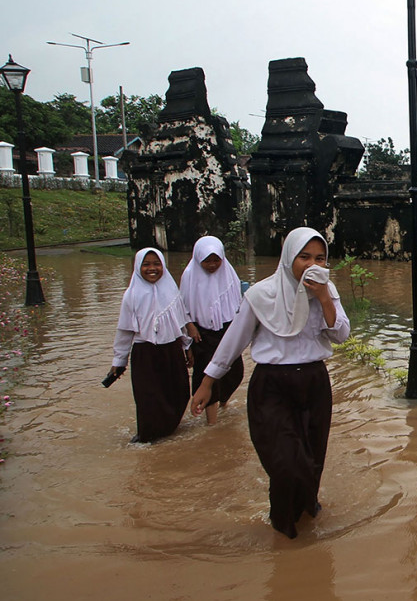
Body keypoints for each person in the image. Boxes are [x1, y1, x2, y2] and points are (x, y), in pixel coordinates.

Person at [191, 227, 350, 538]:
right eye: (304, 257)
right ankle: (282, 524)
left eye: (319, 258)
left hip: (314, 383)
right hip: (272, 387)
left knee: (312, 457)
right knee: (287, 463)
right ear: (289, 257)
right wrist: (208, 382)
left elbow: (341, 334)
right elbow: (233, 342)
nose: (312, 265)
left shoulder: (326, 291)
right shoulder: (260, 295)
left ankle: (305, 514)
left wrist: (324, 297)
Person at [107, 248, 193, 443]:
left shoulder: (172, 291)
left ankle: (169, 429)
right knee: (148, 397)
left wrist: (187, 348)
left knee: (178, 392)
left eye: (157, 264)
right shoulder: (132, 295)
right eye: (146, 264)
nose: (152, 268)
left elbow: (180, 323)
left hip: (171, 350)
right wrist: (119, 360)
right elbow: (124, 330)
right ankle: (146, 437)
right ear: (138, 267)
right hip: (145, 353)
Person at [179, 236, 244, 425]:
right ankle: (212, 423)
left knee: (235, 372)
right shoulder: (190, 275)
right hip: (202, 334)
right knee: (206, 375)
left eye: (216, 260)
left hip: (227, 329)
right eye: (207, 260)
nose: (212, 265)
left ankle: (224, 402)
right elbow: (180, 306)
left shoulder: (228, 273)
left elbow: (238, 302)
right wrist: (189, 326)